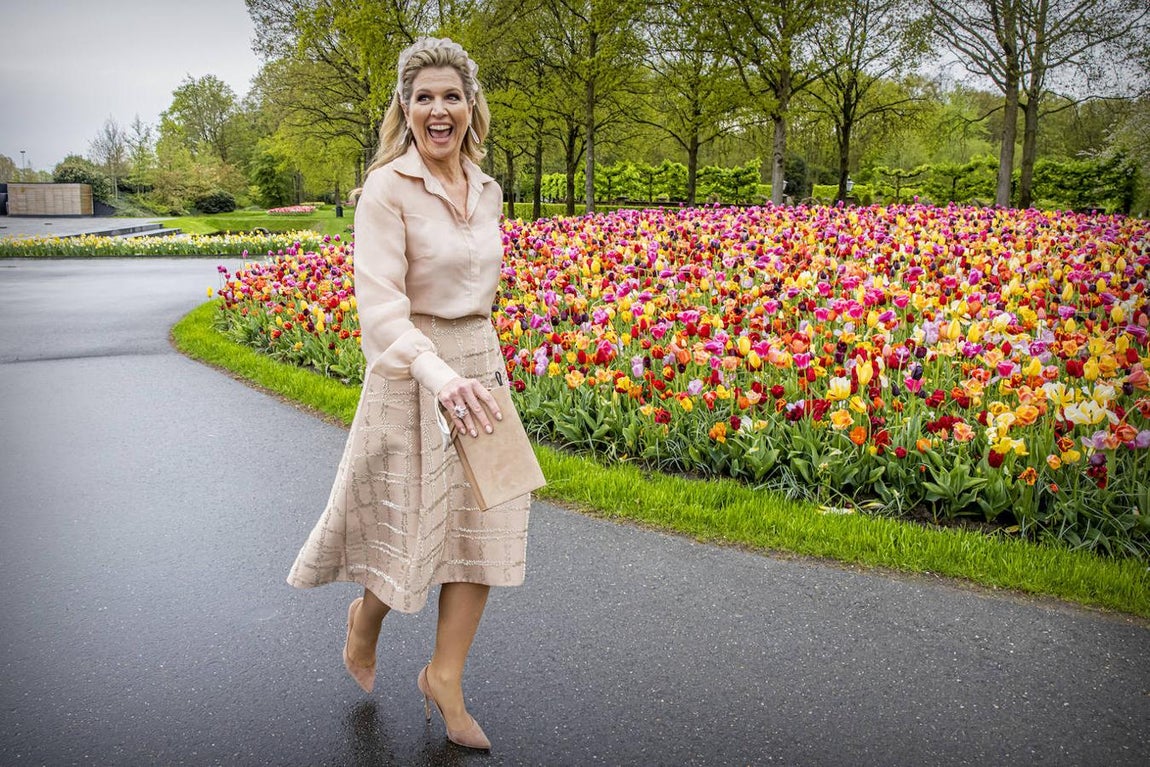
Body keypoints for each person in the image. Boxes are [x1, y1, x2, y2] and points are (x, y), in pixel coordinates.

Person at [286, 37, 531, 752]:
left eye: (452, 95)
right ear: (405, 106)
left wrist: (473, 366)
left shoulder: (487, 188)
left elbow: (476, 290)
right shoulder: (386, 189)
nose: (438, 109)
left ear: (471, 105)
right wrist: (439, 375)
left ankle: (443, 678)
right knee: (411, 530)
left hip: (479, 367)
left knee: (484, 525)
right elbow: (381, 312)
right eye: (424, 96)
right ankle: (365, 622)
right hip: (411, 372)